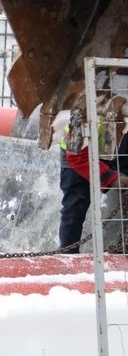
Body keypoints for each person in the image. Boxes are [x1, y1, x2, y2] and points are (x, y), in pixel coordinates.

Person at [59, 97, 128, 253]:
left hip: (111, 151)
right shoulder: (84, 112)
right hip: (76, 155)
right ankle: (68, 254)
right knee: (74, 207)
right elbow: (77, 158)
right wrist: (113, 178)